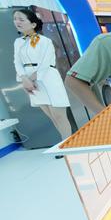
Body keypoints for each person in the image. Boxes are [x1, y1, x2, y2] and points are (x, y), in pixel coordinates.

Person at [13, 8, 72, 140]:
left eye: (21, 19)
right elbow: (17, 62)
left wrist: (31, 79)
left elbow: (46, 63)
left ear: (33, 24)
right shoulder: (18, 42)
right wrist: (24, 79)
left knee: (59, 115)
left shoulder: (44, 41)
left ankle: (69, 143)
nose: (17, 22)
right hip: (29, 81)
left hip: (47, 78)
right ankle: (64, 142)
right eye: (15, 19)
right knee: (51, 116)